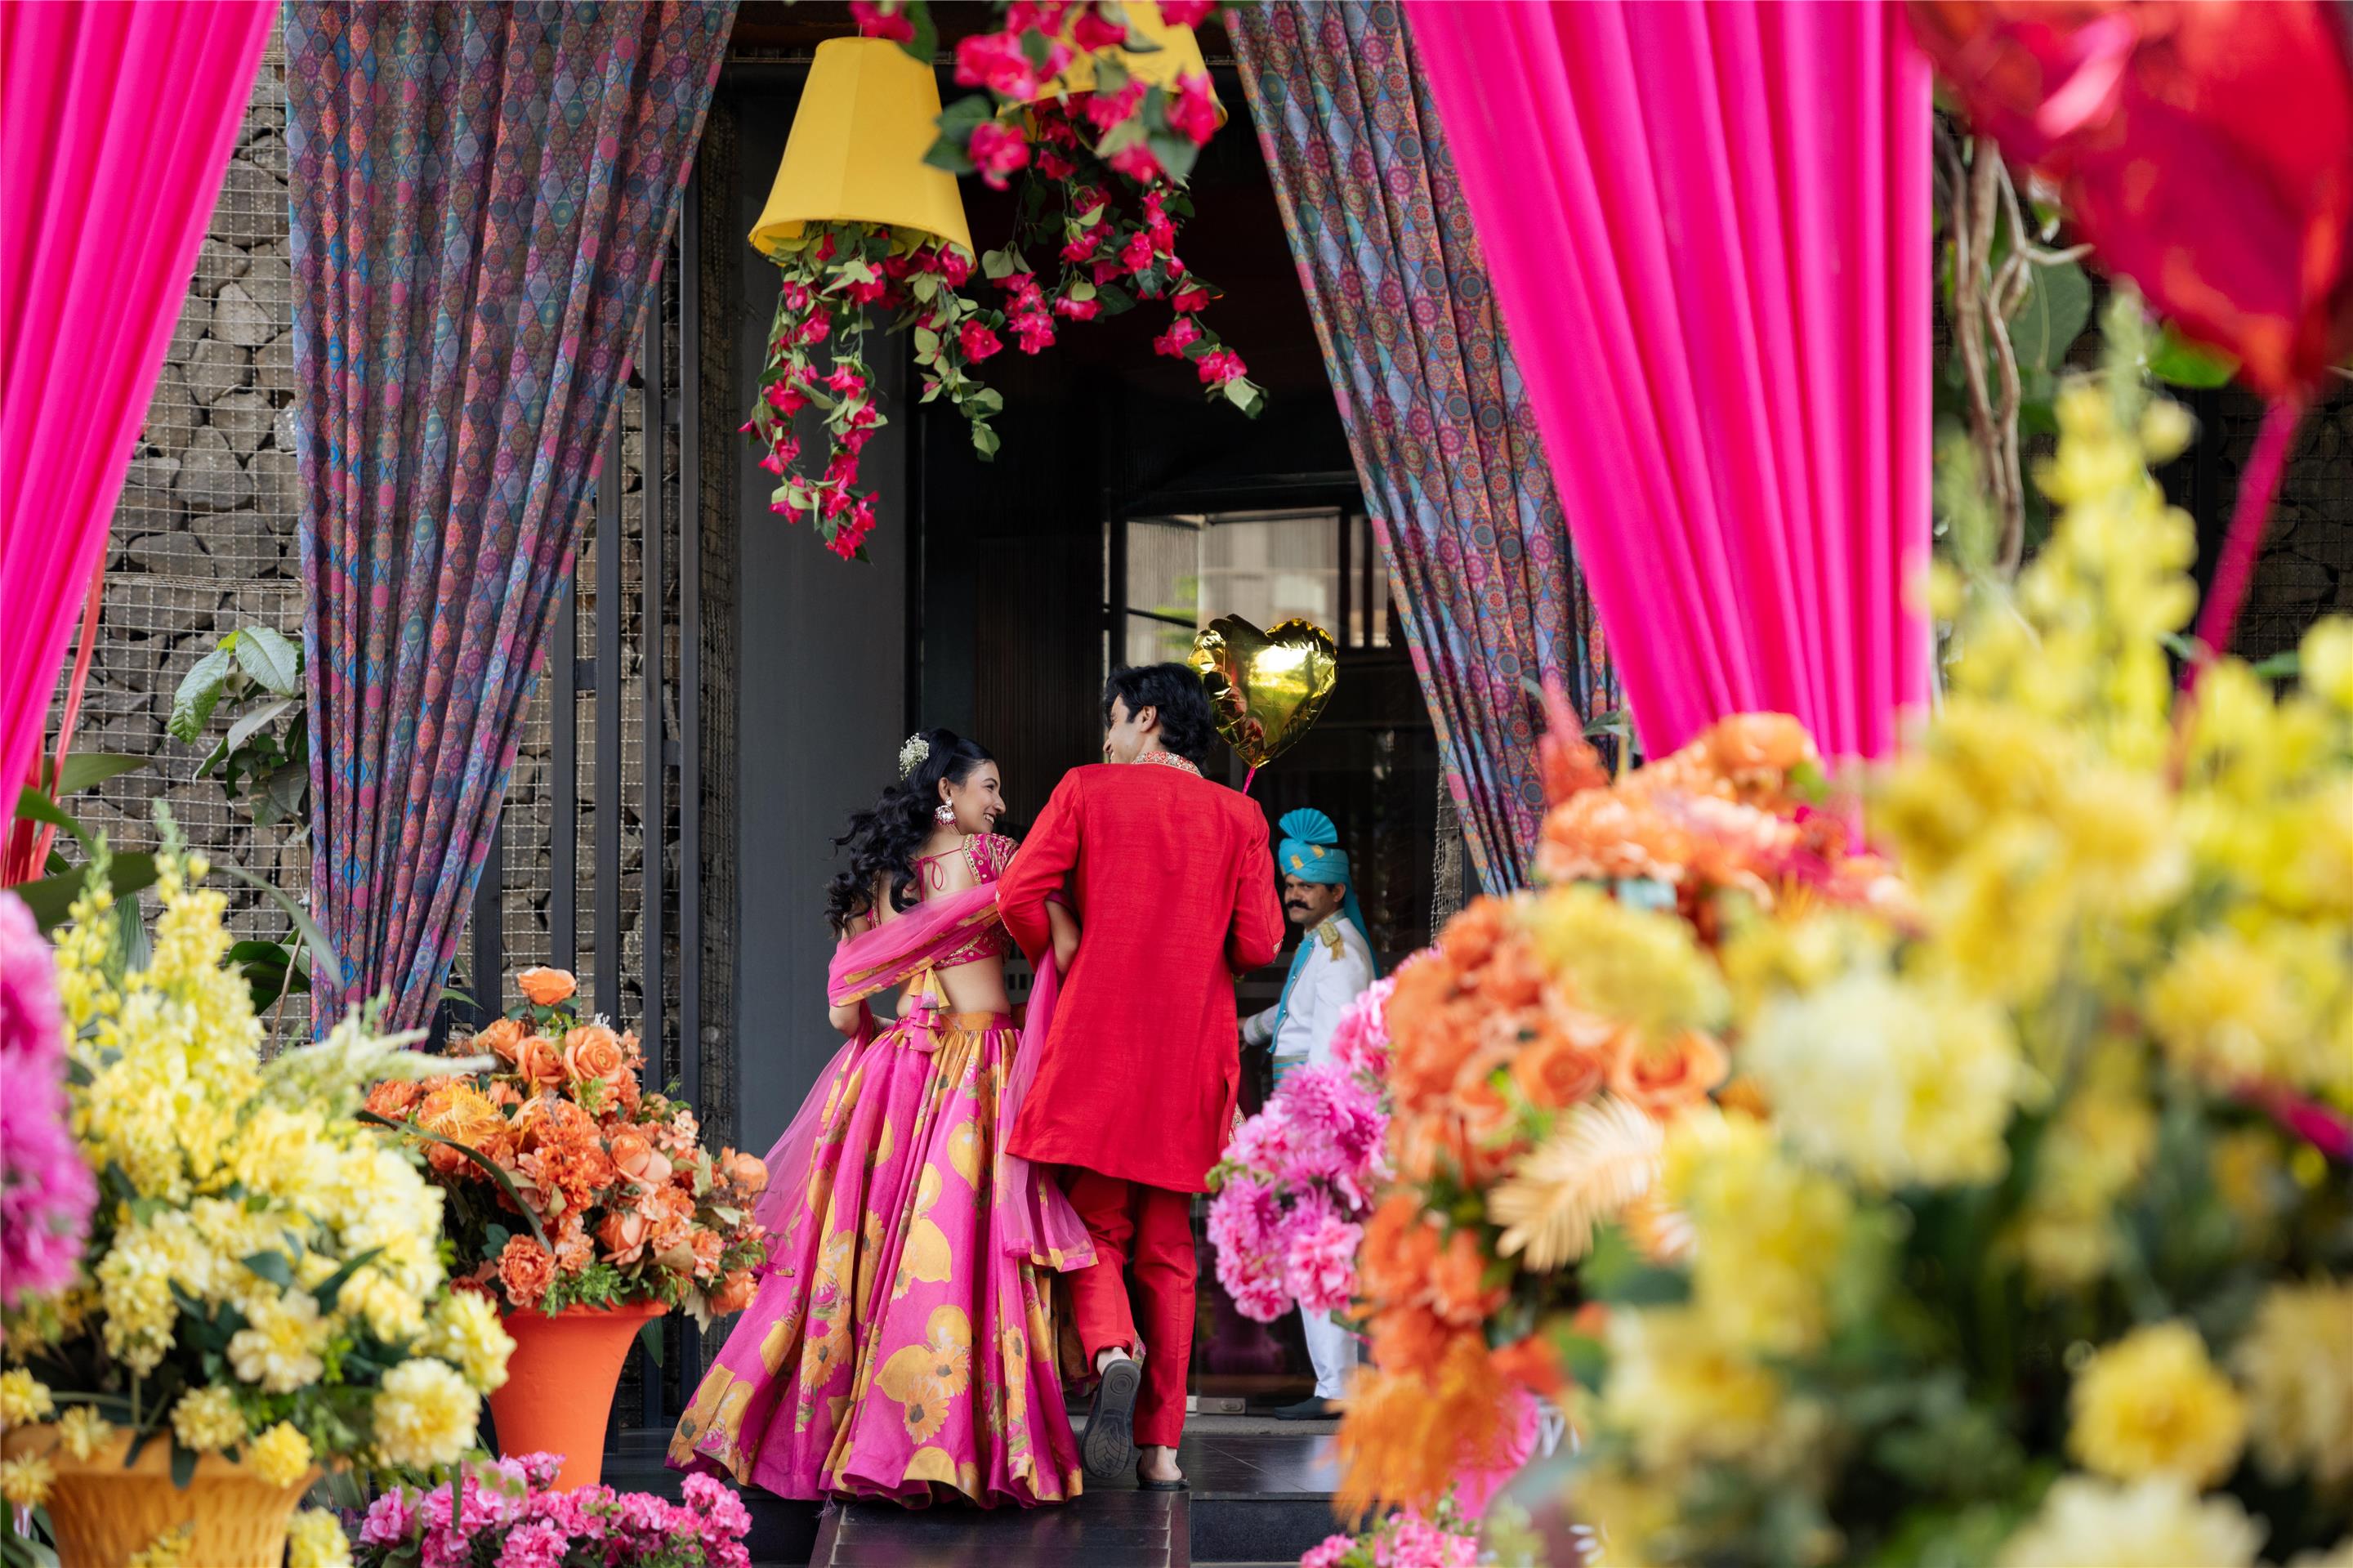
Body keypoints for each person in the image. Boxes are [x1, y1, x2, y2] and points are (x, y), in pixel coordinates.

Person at [668, 730, 1089, 1508]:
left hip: (897, 1074)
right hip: (980, 1068)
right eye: (988, 788)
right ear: (947, 795)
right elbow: (1064, 944)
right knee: (963, 1247)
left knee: (866, 1253)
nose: (999, 804)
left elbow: (841, 1015)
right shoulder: (1002, 864)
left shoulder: (882, 883)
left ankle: (857, 1438)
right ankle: (955, 1447)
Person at [997, 665, 1287, 1492]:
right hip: (1188, 1057)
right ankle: (1161, 1446)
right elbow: (1261, 943)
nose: (1106, 738)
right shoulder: (1241, 815)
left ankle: (1111, 1346)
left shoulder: (1088, 790)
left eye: (1114, 720)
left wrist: (1062, 941)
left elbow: (1021, 888)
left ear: (1149, 718)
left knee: (1093, 1226)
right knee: (1168, 1249)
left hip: (1099, 1047)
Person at [1242, 807, 1377, 1420]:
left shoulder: (1340, 951)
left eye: (1306, 885)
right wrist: (1247, 1028)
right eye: (1289, 884)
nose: (1293, 894)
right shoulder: (1321, 947)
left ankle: (1336, 1390)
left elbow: (1330, 1051)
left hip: (1317, 1124)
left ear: (1336, 891)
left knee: (1320, 1251)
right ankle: (1335, 1384)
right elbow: (1294, 1021)